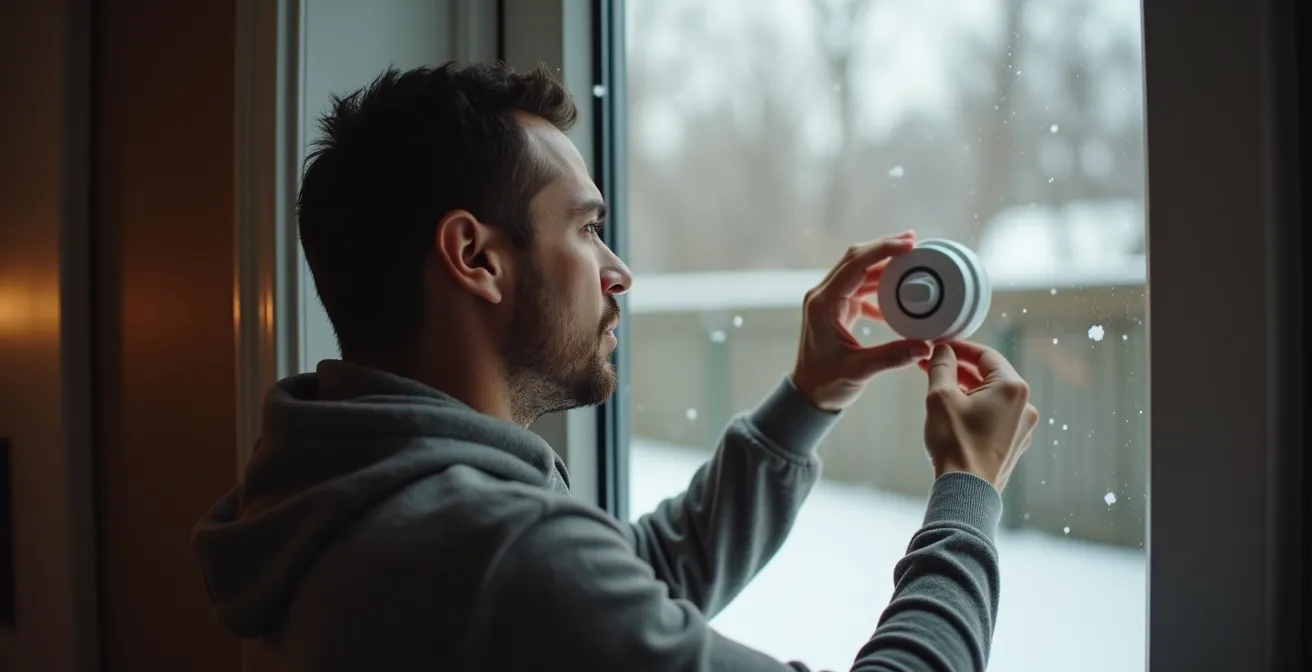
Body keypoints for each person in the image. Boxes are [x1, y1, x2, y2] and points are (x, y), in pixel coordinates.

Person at [192, 62, 1039, 671]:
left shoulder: (344, 498)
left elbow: (630, 588)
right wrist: (968, 491)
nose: (619, 270)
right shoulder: (492, 549)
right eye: (588, 228)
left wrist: (811, 398)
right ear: (474, 257)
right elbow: (563, 582)